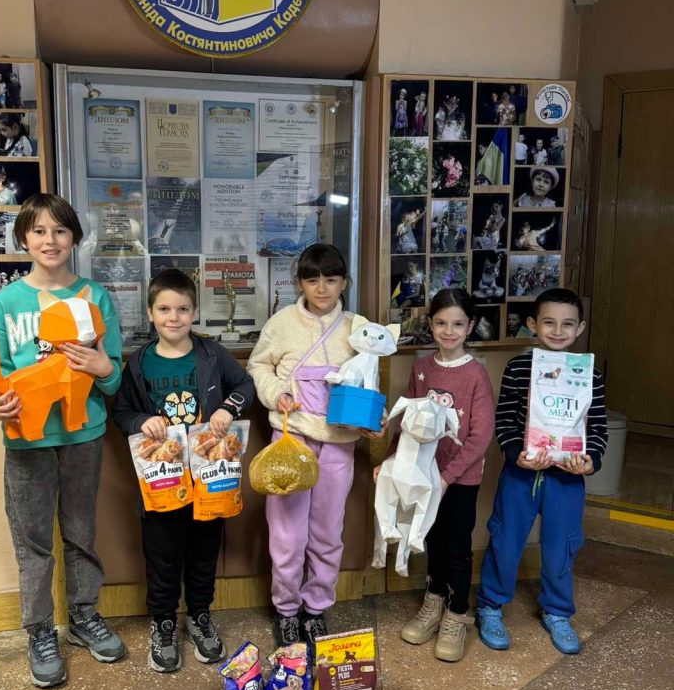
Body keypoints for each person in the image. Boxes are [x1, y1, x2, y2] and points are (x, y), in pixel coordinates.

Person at [0, 192, 126, 689]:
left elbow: (113, 378)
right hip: (26, 441)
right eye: (39, 230)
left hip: (83, 436)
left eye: (60, 230)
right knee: (32, 539)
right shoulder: (7, 302)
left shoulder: (95, 297)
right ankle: (39, 630)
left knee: (81, 532)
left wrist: (102, 367)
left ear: (74, 237)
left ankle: (84, 615)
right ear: (23, 239)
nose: (50, 240)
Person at [112, 269, 254, 673]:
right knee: (162, 554)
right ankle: (162, 622)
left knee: (204, 552)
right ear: (150, 313)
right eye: (164, 309)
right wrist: (141, 420)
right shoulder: (140, 363)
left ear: (194, 312)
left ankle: (199, 616)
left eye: (182, 309)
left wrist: (228, 408)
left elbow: (246, 385)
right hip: (162, 479)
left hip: (209, 478)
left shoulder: (211, 354)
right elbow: (121, 411)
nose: (173, 317)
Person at [247, 243, 383, 649]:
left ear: (345, 282)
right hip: (291, 441)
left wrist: (372, 417)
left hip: (339, 444)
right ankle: (286, 611)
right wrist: (276, 394)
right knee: (287, 534)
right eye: (312, 280)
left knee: (327, 533)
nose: (322, 288)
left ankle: (316, 608)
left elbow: (370, 376)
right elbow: (258, 365)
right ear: (299, 283)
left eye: (331, 279)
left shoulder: (358, 327)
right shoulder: (282, 323)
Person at [476, 288, 607, 655]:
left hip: (567, 478)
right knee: (505, 539)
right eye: (549, 322)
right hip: (521, 474)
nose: (558, 331)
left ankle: (558, 611)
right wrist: (515, 454)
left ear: (580, 327)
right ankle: (490, 605)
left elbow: (597, 427)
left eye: (567, 324)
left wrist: (590, 460)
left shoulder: (590, 375)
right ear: (533, 325)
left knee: (562, 545)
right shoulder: (519, 368)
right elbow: (504, 419)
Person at [374, 289, 495, 662]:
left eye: (458, 324)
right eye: (441, 323)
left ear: (470, 326)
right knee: (431, 540)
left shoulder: (476, 374)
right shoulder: (422, 368)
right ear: (430, 324)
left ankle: (456, 615)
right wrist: (391, 461)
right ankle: (433, 602)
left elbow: (480, 437)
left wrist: (447, 477)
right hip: (424, 476)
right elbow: (408, 422)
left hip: (459, 481)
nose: (449, 331)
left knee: (456, 546)